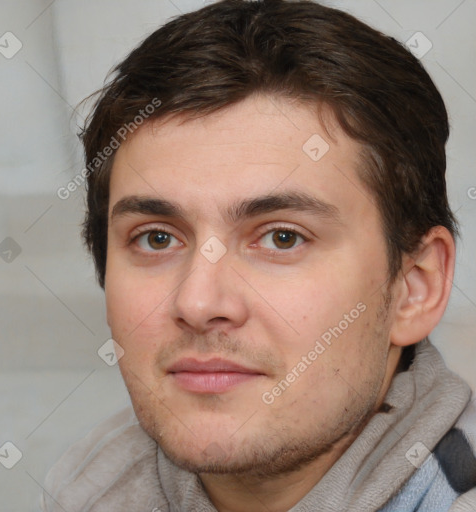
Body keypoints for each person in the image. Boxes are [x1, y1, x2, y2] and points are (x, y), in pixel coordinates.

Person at [41, 1, 476, 510]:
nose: (199, 303)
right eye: (157, 238)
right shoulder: (84, 489)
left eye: (282, 238)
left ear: (414, 288)